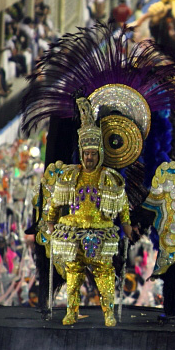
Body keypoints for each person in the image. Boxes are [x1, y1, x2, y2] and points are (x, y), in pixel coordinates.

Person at [42, 99, 131, 326]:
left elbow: (122, 204)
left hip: (100, 234)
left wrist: (127, 225)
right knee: (73, 277)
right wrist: (51, 221)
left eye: (93, 153)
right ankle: (71, 311)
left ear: (99, 153)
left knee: (105, 276)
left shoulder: (110, 178)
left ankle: (108, 313)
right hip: (73, 234)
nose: (89, 157)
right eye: (86, 153)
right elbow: (55, 201)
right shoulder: (70, 176)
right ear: (81, 153)